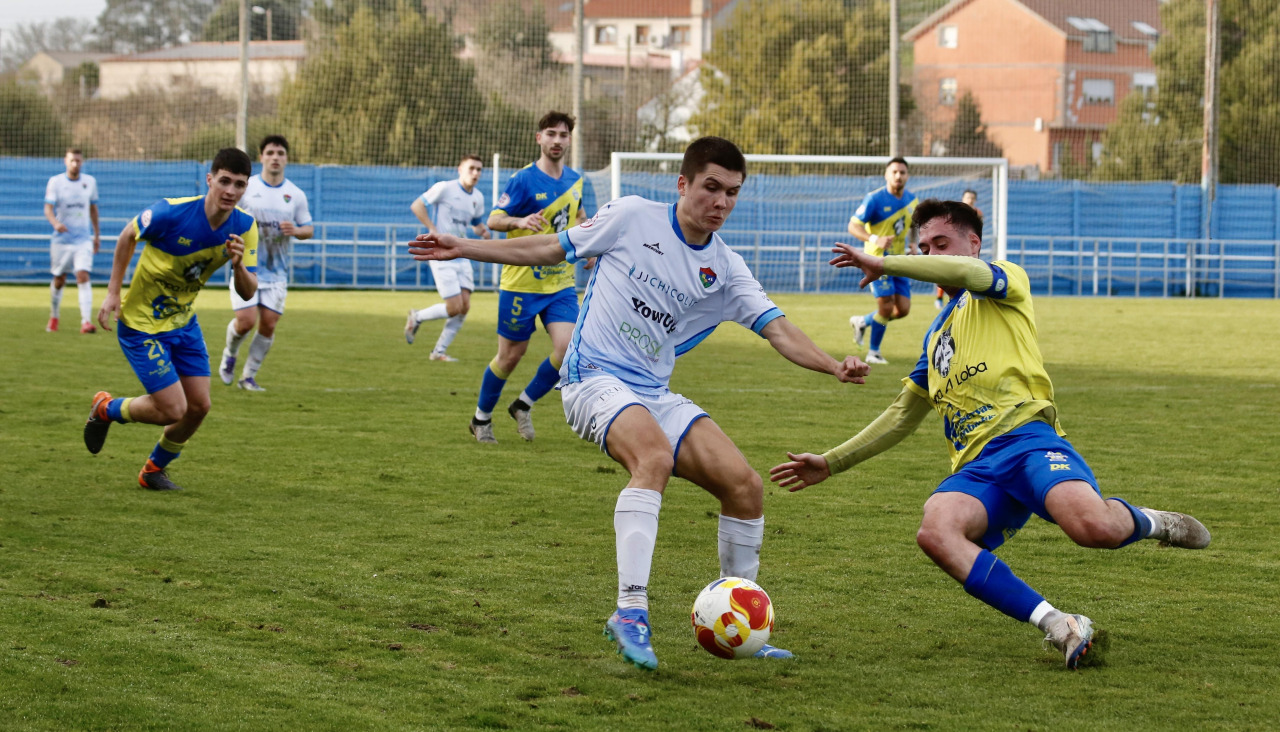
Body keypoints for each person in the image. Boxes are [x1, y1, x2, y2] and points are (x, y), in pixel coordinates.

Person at [410, 136, 870, 671]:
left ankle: (740, 620)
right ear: (683, 183)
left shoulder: (725, 267)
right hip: (591, 378)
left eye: (732, 193)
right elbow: (551, 248)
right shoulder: (631, 217)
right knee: (653, 458)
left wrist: (834, 365)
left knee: (744, 486)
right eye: (712, 187)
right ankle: (629, 611)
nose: (721, 202)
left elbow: (779, 330)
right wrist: (464, 246)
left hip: (652, 392)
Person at [770, 198, 1210, 669]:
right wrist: (831, 461)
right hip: (978, 469)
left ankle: (1156, 522)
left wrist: (884, 262)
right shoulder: (936, 337)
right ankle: (1059, 625)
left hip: (1027, 440)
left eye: (942, 244)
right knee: (936, 530)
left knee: (1094, 528)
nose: (931, 255)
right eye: (924, 249)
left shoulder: (1004, 281)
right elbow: (902, 415)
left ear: (973, 244)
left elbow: (967, 273)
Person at [84, 148, 259, 492]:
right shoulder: (169, 212)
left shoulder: (244, 227)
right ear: (209, 180)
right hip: (141, 326)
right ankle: (106, 408)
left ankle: (153, 470)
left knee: (199, 406)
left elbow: (248, 291)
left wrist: (239, 265)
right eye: (224, 181)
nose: (230, 191)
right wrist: (113, 292)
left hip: (183, 323)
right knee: (172, 409)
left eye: (239, 185)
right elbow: (127, 235)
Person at [470, 111, 588, 444]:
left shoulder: (575, 180)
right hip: (521, 283)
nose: (557, 140)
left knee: (569, 348)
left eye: (563, 135)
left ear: (569, 140)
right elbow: (494, 220)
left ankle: (523, 404)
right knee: (510, 356)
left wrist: (591, 245)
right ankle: (481, 419)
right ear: (539, 138)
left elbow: (579, 216)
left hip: (560, 282)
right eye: (550, 133)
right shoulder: (522, 180)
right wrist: (520, 222)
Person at [218, 135, 313, 392]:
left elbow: (309, 229)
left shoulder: (295, 194)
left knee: (268, 324)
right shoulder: (246, 188)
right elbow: (226, 213)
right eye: (270, 153)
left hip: (277, 272)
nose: (275, 158)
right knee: (246, 322)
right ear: (261, 157)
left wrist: (296, 230)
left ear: (287, 159)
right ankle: (230, 354)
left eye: (280, 153)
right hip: (246, 267)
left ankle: (248, 376)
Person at [404, 154, 491, 361]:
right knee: (453, 308)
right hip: (441, 254)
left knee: (464, 307)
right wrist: (432, 228)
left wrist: (483, 231)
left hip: (462, 253)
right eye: (471, 168)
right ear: (460, 169)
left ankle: (438, 352)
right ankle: (417, 316)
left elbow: (476, 224)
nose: (475, 173)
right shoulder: (444, 188)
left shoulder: (478, 197)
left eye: (479, 169)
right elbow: (417, 205)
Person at [847, 157, 918, 364]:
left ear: (907, 176)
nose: (898, 176)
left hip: (900, 261)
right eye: (894, 172)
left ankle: (863, 321)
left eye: (902, 172)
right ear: (886, 175)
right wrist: (874, 239)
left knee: (902, 310)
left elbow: (914, 225)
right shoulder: (874, 199)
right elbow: (853, 226)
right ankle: (874, 353)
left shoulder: (912, 200)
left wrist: (914, 244)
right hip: (877, 261)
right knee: (886, 307)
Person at [44, 148, 101, 333]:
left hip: (83, 239)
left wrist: (97, 235)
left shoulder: (90, 182)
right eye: (72, 160)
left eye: (78, 160)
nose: (75, 164)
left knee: (83, 275)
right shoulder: (56, 182)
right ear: (65, 161)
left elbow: (93, 209)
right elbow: (48, 208)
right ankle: (54, 316)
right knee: (59, 279)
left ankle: (86, 322)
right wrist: (55, 223)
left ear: (82, 162)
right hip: (61, 240)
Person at [936, 189, 984, 310]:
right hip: (956, 245)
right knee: (948, 270)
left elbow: (979, 230)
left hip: (970, 246)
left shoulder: (978, 213)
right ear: (963, 198)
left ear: (975, 200)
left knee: (971, 269)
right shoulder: (955, 211)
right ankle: (940, 298)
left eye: (972, 198)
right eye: (968, 197)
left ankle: (970, 298)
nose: (970, 200)